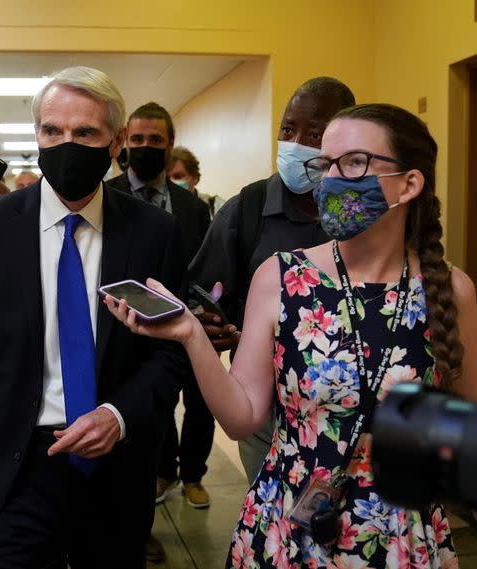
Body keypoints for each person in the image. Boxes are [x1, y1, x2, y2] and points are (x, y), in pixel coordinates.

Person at [106, 102, 476, 567]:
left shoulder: (449, 289)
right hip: (288, 524)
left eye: (355, 162)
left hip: (402, 534)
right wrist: (190, 335)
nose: (332, 179)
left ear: (409, 183)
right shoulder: (281, 277)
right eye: (326, 164)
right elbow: (242, 417)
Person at [0, 66, 188, 568]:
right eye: (52, 131)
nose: (67, 144)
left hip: (115, 469)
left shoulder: (154, 232)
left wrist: (118, 415)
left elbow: (171, 351)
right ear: (38, 135)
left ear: (115, 145)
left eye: (85, 132)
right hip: (11, 468)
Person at [189, 77, 356, 482]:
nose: (297, 142)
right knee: (274, 518)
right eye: (288, 129)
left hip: (353, 411)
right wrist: (213, 325)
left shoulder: (360, 210)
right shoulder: (245, 210)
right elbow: (202, 297)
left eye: (314, 133)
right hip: (266, 411)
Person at [107, 104, 211, 518]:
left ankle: (194, 475)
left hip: (190, 326)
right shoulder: (106, 196)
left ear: (170, 144)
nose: (146, 147)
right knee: (152, 407)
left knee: (201, 403)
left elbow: (203, 266)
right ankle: (159, 475)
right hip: (129, 331)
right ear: (125, 143)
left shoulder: (192, 207)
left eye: (155, 140)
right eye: (138, 140)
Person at [166, 146, 225, 221]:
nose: (172, 183)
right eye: (167, 178)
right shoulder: (160, 207)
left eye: (178, 176)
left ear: (195, 178)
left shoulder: (216, 207)